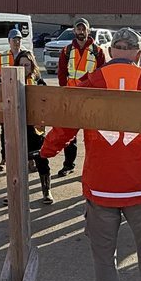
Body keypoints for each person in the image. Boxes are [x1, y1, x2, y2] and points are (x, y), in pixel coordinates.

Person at [39, 28, 141, 281]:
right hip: (139, 186)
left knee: (104, 255)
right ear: (139, 53)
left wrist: (47, 151)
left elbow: (64, 126)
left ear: (112, 51)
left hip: (100, 188)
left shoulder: (89, 84)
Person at [55, 18, 109, 177]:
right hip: (71, 97)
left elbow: (101, 74)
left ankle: (92, 166)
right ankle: (68, 165)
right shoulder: (66, 50)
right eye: (78, 29)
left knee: (92, 134)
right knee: (69, 134)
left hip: (89, 97)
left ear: (88, 30)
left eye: (83, 29)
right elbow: (61, 73)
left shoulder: (97, 51)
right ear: (74, 31)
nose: (81, 32)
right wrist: (64, 91)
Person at [0, 28, 31, 171]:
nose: (17, 42)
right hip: (5, 98)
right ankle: (4, 159)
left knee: (27, 130)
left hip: (24, 98)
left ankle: (29, 159)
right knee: (5, 130)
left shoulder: (27, 56)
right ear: (9, 41)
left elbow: (34, 75)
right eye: (14, 39)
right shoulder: (1, 57)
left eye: (19, 39)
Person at [16, 53, 55, 205]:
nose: (23, 68)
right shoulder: (11, 81)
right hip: (18, 127)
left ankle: (46, 191)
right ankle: (16, 193)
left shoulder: (39, 82)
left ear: (32, 66)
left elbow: (46, 103)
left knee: (41, 159)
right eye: (21, 65)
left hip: (35, 129)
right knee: (17, 162)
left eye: (26, 65)